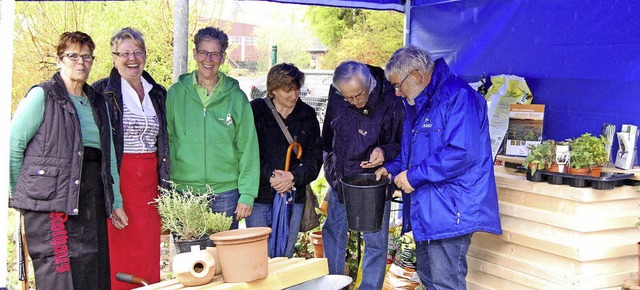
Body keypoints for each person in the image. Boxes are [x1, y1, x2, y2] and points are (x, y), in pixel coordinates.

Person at [376, 45, 503, 289]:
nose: (397, 93)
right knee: (428, 276)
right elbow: (418, 152)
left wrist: (413, 176)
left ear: (416, 75)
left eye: (397, 85)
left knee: (446, 282)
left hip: (451, 210)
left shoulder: (458, 97)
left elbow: (461, 152)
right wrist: (392, 169)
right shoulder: (420, 102)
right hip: (431, 208)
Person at [9, 31, 121, 290]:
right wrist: (18, 196)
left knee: (92, 271)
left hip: (90, 196)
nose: (81, 62)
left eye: (87, 57)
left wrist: (115, 201)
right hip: (50, 201)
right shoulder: (43, 95)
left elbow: (109, 156)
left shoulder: (98, 101)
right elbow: (13, 146)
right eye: (72, 56)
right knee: (59, 274)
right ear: (59, 60)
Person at [92, 27, 169, 289]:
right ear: (113, 57)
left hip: (151, 182)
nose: (131, 59)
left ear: (145, 55)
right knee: (119, 252)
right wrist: (112, 197)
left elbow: (165, 144)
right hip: (119, 178)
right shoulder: (100, 92)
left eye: (137, 52)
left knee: (148, 250)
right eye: (124, 53)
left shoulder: (157, 92)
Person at [322, 60, 405, 289]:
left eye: (359, 95)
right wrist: (330, 166)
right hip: (341, 178)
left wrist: (384, 151)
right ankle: (333, 285)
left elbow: (403, 143)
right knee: (333, 232)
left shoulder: (392, 96)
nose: (356, 102)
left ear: (370, 82)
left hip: (374, 180)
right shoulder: (338, 93)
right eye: (348, 98)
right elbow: (328, 135)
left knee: (376, 241)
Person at [166, 27, 259, 229]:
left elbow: (248, 147)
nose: (208, 59)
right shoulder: (174, 94)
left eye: (215, 53)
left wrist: (248, 193)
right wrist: (168, 186)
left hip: (225, 193)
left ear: (223, 57)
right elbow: (168, 142)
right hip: (185, 191)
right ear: (194, 54)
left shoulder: (236, 97)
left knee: (223, 257)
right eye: (203, 52)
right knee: (190, 258)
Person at [247, 63, 323, 258]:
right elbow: (246, 154)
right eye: (287, 90)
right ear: (273, 90)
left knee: (284, 256)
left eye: (297, 89)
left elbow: (315, 156)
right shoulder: (255, 111)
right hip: (260, 197)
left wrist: (292, 177)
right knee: (257, 256)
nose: (294, 95)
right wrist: (271, 176)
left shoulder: (307, 114)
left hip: (293, 197)